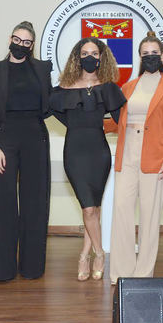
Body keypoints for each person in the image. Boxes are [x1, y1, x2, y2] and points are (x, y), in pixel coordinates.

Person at [105, 32, 163, 284]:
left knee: (150, 217)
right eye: (145, 53)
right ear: (139, 57)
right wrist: (87, 121)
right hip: (127, 153)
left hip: (157, 156)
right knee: (122, 211)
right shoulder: (127, 87)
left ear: (162, 56)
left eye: (154, 53)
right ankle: (122, 273)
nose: (150, 57)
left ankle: (144, 274)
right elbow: (120, 122)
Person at [50, 37, 126, 281]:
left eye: (94, 53)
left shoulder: (108, 87)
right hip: (74, 152)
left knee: (93, 208)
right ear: (77, 57)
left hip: (99, 153)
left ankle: (84, 253)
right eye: (85, 53)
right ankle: (99, 252)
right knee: (88, 207)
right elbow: (56, 111)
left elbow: (120, 120)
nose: (89, 57)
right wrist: (76, 125)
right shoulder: (64, 87)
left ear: (102, 57)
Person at [0, 21, 53, 282]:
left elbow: (51, 104)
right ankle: (4, 268)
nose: (21, 44)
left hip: (35, 136)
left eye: (26, 42)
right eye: (17, 39)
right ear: (9, 39)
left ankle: (32, 266)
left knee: (35, 201)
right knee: (3, 202)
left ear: (32, 45)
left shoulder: (42, 68)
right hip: (5, 138)